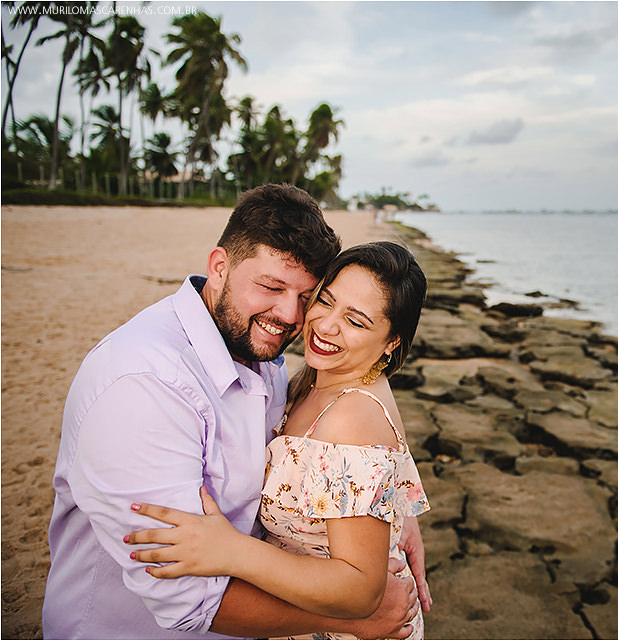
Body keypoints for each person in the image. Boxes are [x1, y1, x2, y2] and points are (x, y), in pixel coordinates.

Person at [43, 184, 423, 639]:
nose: (291, 316)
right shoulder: (145, 387)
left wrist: (389, 511)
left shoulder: (267, 356)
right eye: (271, 287)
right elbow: (186, 598)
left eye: (307, 295)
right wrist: (357, 617)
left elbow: (364, 393)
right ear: (219, 267)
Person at [123, 242, 430, 639]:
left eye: (356, 321)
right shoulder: (321, 381)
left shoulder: (350, 420)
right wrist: (398, 517)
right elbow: (384, 467)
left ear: (391, 343)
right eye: (326, 300)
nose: (326, 325)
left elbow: (360, 592)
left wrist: (232, 550)